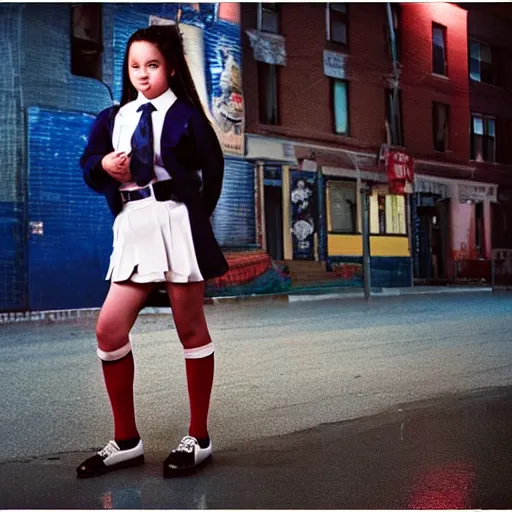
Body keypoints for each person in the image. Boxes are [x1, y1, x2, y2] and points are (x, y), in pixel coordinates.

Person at [76, 24, 228, 478]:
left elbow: (214, 170)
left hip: (176, 222)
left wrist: (194, 218)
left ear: (172, 68)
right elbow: (89, 166)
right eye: (135, 66)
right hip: (133, 224)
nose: (143, 75)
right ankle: (126, 441)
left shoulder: (187, 116)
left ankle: (198, 437)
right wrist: (103, 165)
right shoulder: (112, 118)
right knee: (109, 330)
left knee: (191, 330)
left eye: (153, 65)